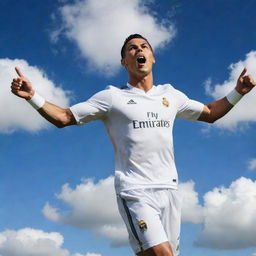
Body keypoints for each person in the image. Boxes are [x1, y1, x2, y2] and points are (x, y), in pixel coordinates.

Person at [11, 34, 256, 256]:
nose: (138, 50)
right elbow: (64, 117)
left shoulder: (170, 95)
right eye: (131, 48)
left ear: (152, 57)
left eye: (144, 46)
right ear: (124, 62)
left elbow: (211, 113)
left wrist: (238, 92)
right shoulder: (111, 97)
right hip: (135, 190)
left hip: (169, 191)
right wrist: (33, 97)